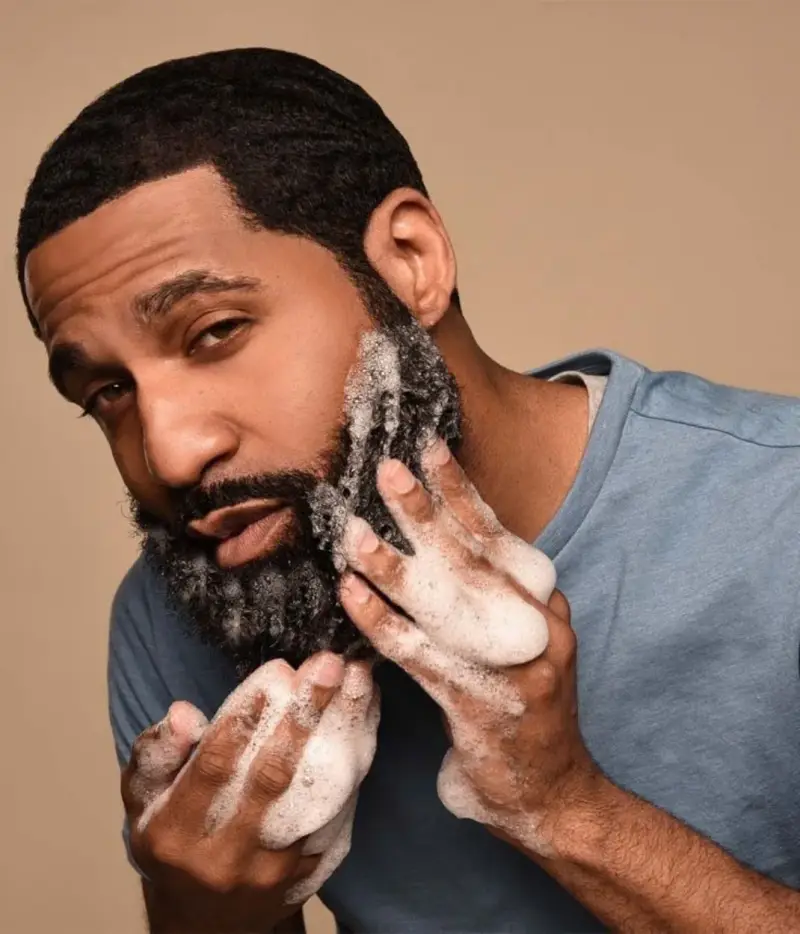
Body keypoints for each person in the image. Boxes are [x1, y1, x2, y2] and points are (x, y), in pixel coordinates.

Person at [16, 47, 800, 934]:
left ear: (410, 262)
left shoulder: (780, 516)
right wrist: (199, 915)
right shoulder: (181, 613)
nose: (169, 453)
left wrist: (567, 811)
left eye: (215, 332)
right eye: (107, 394)